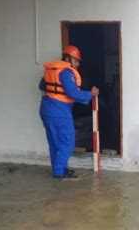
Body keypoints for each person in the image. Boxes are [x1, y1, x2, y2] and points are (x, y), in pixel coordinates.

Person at [39, 45, 99, 179]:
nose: (78, 63)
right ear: (68, 58)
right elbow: (73, 94)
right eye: (76, 60)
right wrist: (91, 93)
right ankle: (59, 172)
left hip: (46, 110)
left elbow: (42, 86)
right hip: (59, 112)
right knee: (67, 142)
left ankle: (59, 170)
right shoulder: (66, 72)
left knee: (55, 143)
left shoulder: (51, 70)